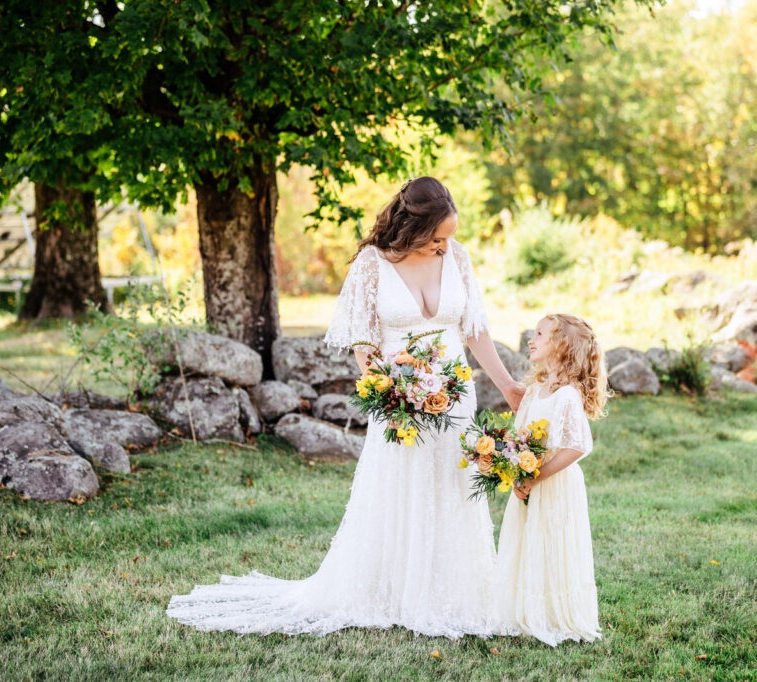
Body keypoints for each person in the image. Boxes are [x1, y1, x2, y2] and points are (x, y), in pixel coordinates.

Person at [167, 176, 525, 638]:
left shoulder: (457, 258)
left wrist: (510, 387)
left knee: (451, 487)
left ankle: (453, 592)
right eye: (435, 237)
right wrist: (395, 393)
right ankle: (390, 591)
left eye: (447, 238)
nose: (443, 246)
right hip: (399, 397)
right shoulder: (371, 266)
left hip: (454, 396)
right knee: (400, 489)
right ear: (412, 226)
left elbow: (474, 332)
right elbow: (364, 344)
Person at [495, 313, 610, 646]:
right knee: (531, 542)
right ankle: (527, 609)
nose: (532, 340)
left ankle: (555, 614)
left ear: (562, 345)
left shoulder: (567, 396)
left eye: (540, 334)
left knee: (552, 544)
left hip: (555, 486)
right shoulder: (536, 389)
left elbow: (577, 445)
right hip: (532, 483)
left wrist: (536, 477)